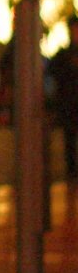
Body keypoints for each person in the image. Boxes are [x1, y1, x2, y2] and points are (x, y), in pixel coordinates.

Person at [49, 39, 78, 184]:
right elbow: (53, 72)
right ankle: (72, 170)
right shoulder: (64, 56)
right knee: (70, 139)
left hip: (69, 103)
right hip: (69, 104)